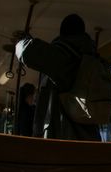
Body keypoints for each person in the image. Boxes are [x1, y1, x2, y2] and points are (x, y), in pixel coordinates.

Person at [15, 13, 104, 141]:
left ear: (62, 34)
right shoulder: (98, 63)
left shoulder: (63, 57)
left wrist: (22, 40)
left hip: (62, 138)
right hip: (92, 139)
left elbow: (26, 51)